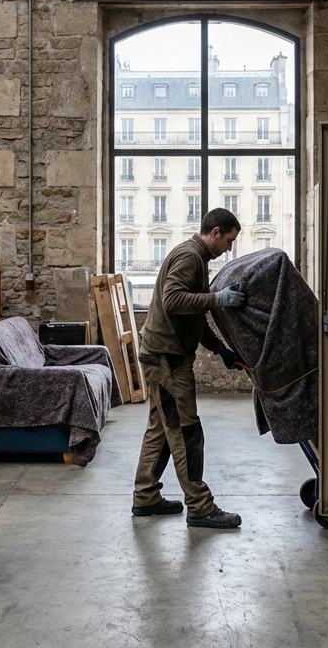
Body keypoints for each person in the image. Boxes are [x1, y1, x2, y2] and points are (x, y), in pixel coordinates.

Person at [131, 207, 247, 529]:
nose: (229, 248)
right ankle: (200, 505)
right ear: (214, 233)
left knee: (161, 430)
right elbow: (173, 301)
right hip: (168, 361)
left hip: (164, 356)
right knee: (186, 431)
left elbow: (193, 315)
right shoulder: (189, 257)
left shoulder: (196, 258)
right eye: (229, 241)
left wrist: (221, 350)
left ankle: (145, 496)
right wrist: (215, 299)